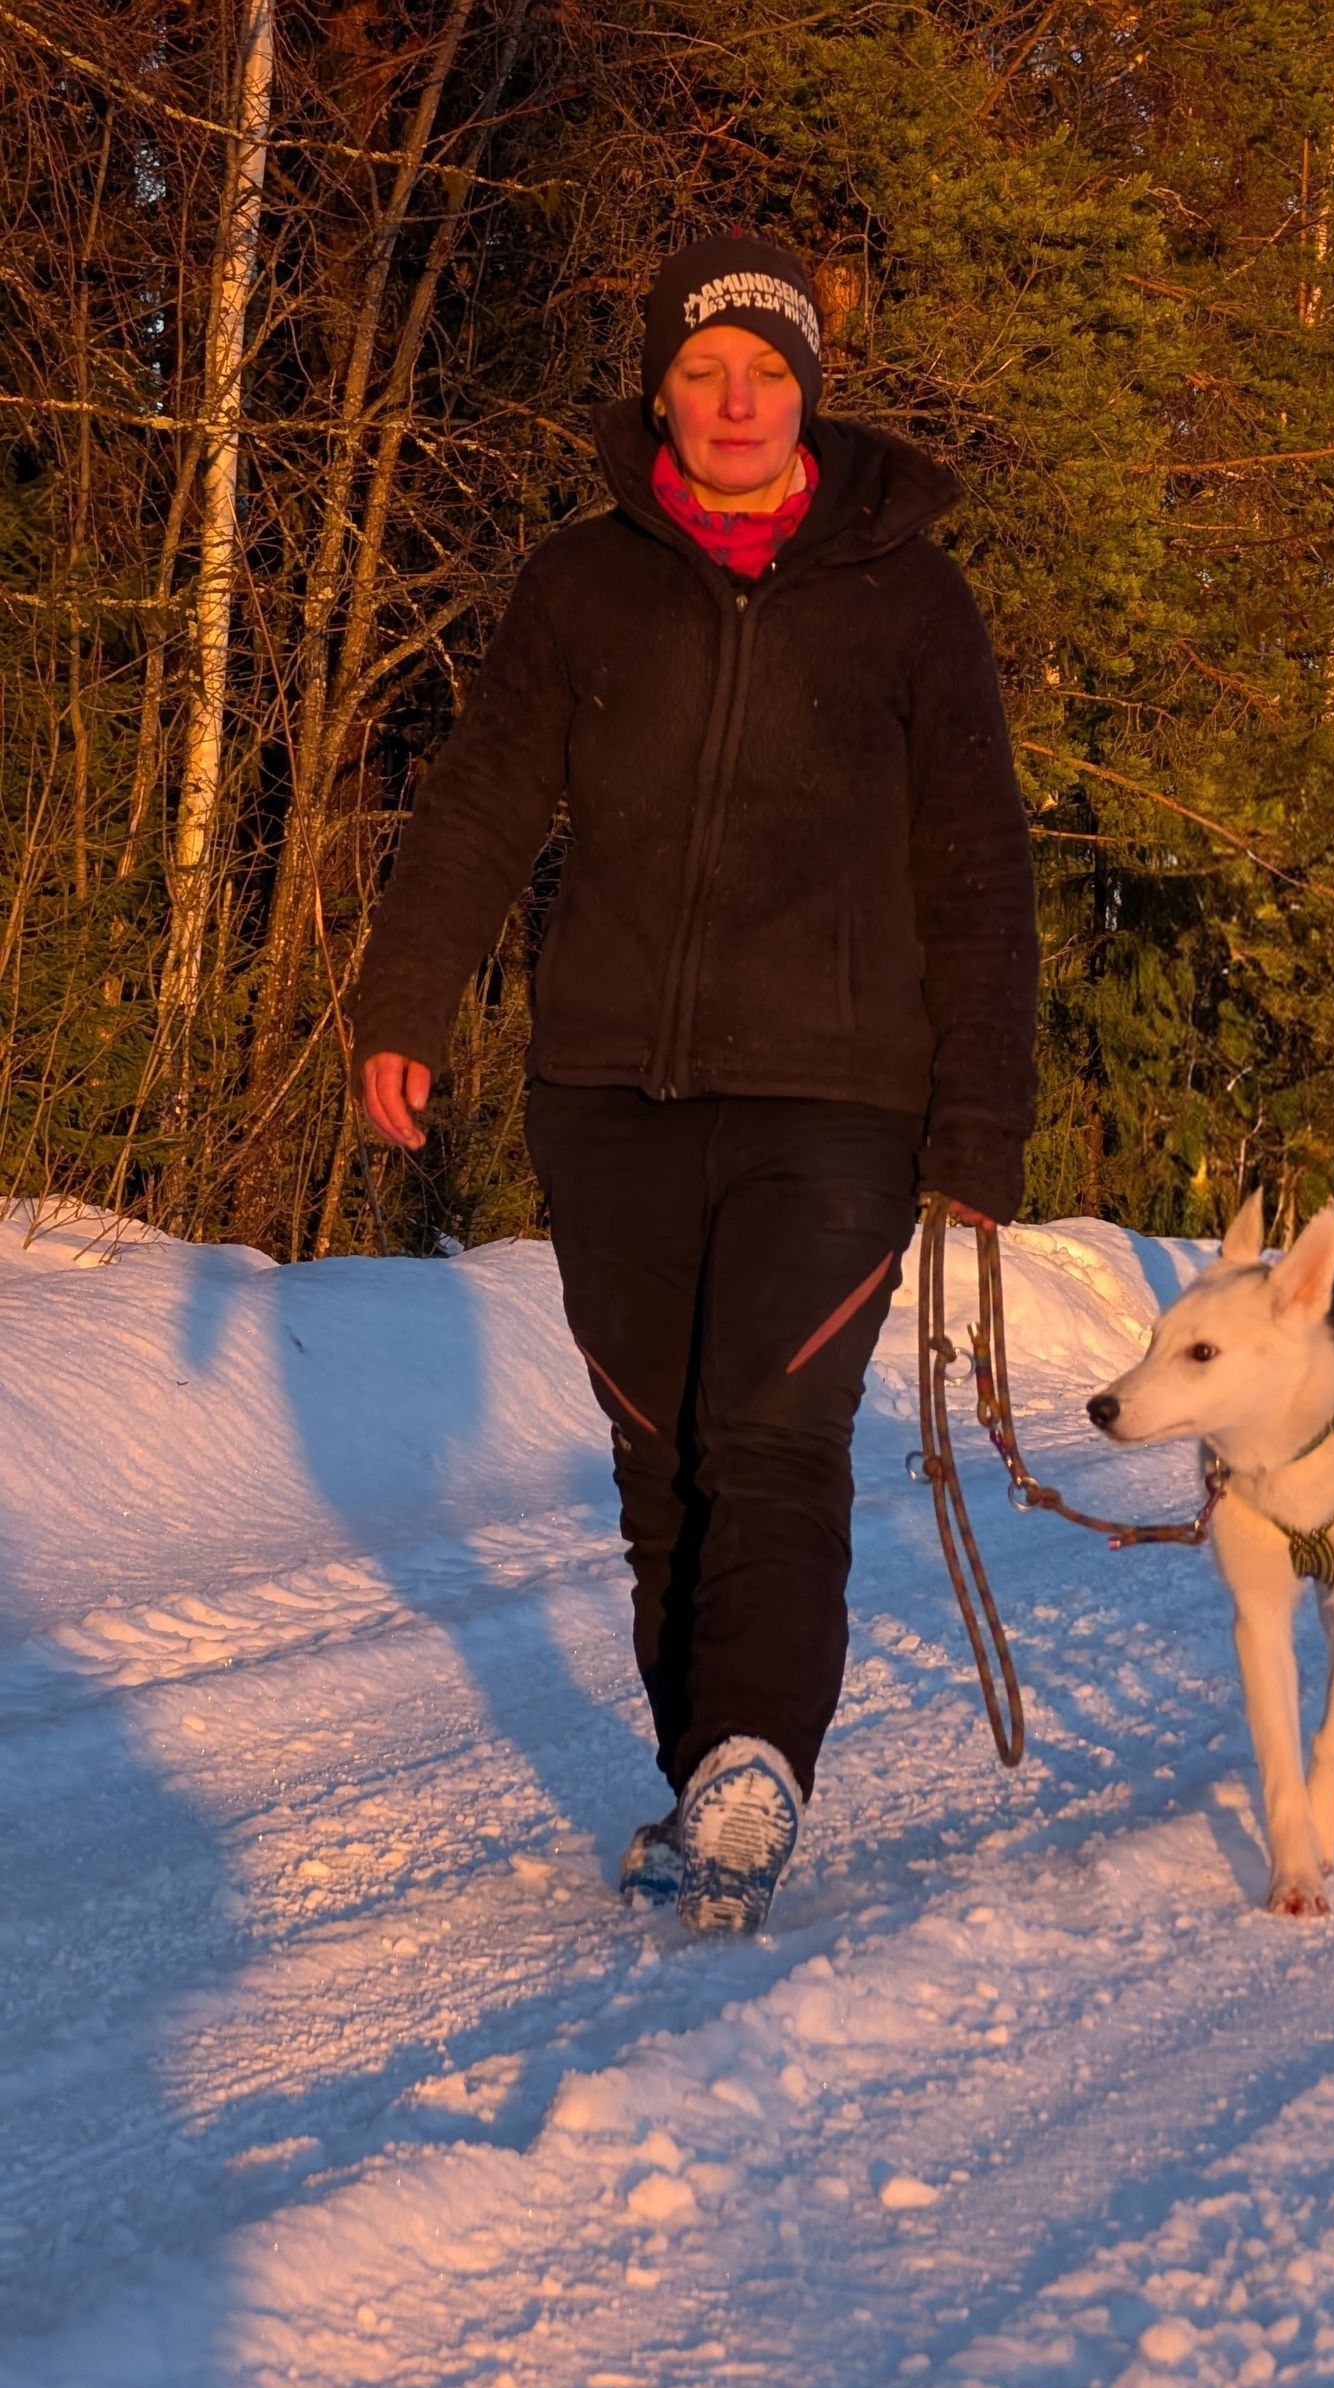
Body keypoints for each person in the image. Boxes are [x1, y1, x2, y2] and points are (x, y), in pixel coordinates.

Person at [351, 232, 1038, 1934]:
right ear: (661, 388)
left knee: (776, 1431)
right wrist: (404, 999)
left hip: (838, 1101)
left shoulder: (909, 597)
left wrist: (982, 1116)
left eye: (771, 372)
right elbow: (484, 801)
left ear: (810, 396)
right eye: (707, 369)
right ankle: (709, 1792)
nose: (738, 401)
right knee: (662, 1462)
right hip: (609, 1091)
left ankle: (754, 1749)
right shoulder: (584, 586)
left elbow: (978, 863)